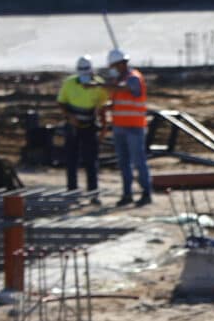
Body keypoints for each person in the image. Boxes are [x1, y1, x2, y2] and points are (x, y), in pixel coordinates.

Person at [104, 48, 151, 206]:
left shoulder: (133, 78)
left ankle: (146, 193)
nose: (114, 69)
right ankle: (127, 194)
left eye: (115, 66)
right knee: (124, 163)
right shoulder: (118, 81)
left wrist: (103, 86)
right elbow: (119, 101)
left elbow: (129, 90)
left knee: (138, 161)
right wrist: (107, 107)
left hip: (134, 127)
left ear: (122, 64)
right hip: (119, 127)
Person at [56, 55, 109, 195]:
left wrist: (104, 128)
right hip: (72, 127)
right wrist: (70, 116)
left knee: (91, 159)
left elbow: (103, 108)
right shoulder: (69, 83)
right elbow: (61, 102)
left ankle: (93, 190)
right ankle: (72, 189)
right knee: (71, 158)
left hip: (90, 127)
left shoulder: (99, 85)